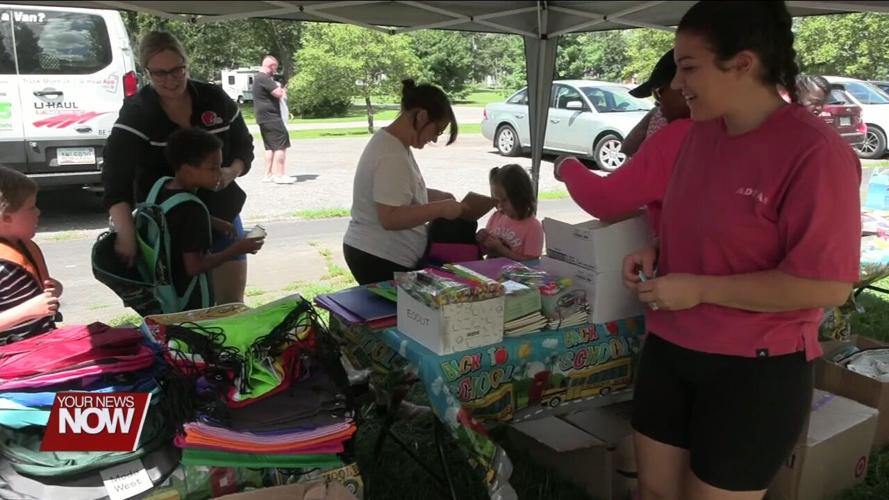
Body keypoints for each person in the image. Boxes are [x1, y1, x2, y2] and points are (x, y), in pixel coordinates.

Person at [621, 3, 861, 500]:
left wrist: (701, 288)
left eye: (689, 68)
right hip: (671, 348)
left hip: (754, 368)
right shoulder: (701, 134)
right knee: (654, 492)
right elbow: (711, 223)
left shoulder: (815, 152)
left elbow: (828, 285)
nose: (679, 83)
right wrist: (657, 248)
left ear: (743, 63)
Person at [102, 31, 254, 306]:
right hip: (169, 228)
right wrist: (126, 232)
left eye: (177, 70)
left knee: (230, 305)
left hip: (222, 211)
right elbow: (115, 177)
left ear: (187, 64)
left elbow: (245, 147)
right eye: (159, 73)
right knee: (183, 308)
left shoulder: (214, 98)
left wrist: (230, 173)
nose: (170, 80)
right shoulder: (138, 111)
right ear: (146, 72)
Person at [343, 79, 464, 285]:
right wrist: (440, 209)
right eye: (437, 131)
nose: (434, 139)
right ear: (422, 116)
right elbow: (390, 218)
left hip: (380, 254)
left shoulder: (395, 145)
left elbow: (398, 191)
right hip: (379, 257)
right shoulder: (391, 154)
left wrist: (434, 196)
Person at [160, 129, 264, 311]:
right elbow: (194, 266)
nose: (220, 173)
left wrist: (213, 221)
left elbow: (174, 216)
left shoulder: (163, 187)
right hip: (188, 300)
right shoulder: (194, 209)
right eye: (213, 168)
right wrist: (237, 249)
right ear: (187, 170)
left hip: (164, 291)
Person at [0, 167, 61, 344]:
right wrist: (28, 311)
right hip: (12, 358)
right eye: (31, 207)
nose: (38, 212)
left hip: (42, 344)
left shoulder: (21, 246)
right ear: (6, 218)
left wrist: (54, 290)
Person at [622, 49, 691, 156]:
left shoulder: (707, 137)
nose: (657, 102)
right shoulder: (658, 117)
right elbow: (627, 148)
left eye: (658, 92)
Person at [477, 164, 543, 260]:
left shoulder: (533, 226)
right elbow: (486, 250)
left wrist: (502, 250)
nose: (499, 205)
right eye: (496, 199)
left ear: (521, 197)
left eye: (504, 200)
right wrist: (482, 238)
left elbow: (532, 261)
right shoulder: (496, 216)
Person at [253, 55, 295, 185]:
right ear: (271, 66)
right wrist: (283, 90)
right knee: (281, 145)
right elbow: (279, 93)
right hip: (272, 117)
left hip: (263, 118)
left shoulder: (258, 79)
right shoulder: (263, 78)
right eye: (275, 68)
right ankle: (280, 175)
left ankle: (268, 174)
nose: (275, 72)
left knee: (270, 147)